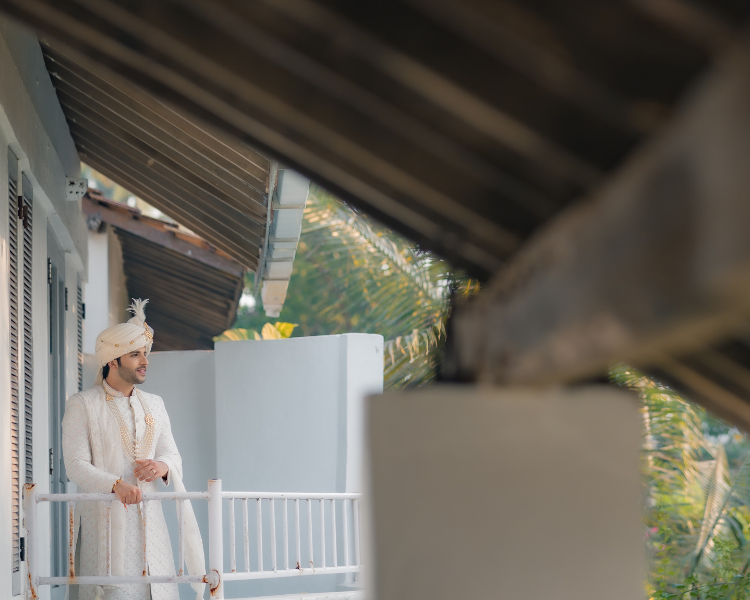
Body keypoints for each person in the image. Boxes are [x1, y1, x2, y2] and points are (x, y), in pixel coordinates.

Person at [62, 299, 204, 600]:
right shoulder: (83, 404)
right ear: (112, 361)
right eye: (135, 354)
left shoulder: (154, 403)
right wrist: (115, 484)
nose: (145, 361)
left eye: (145, 353)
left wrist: (162, 466)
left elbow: (173, 455)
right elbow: (75, 464)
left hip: (152, 524)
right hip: (106, 524)